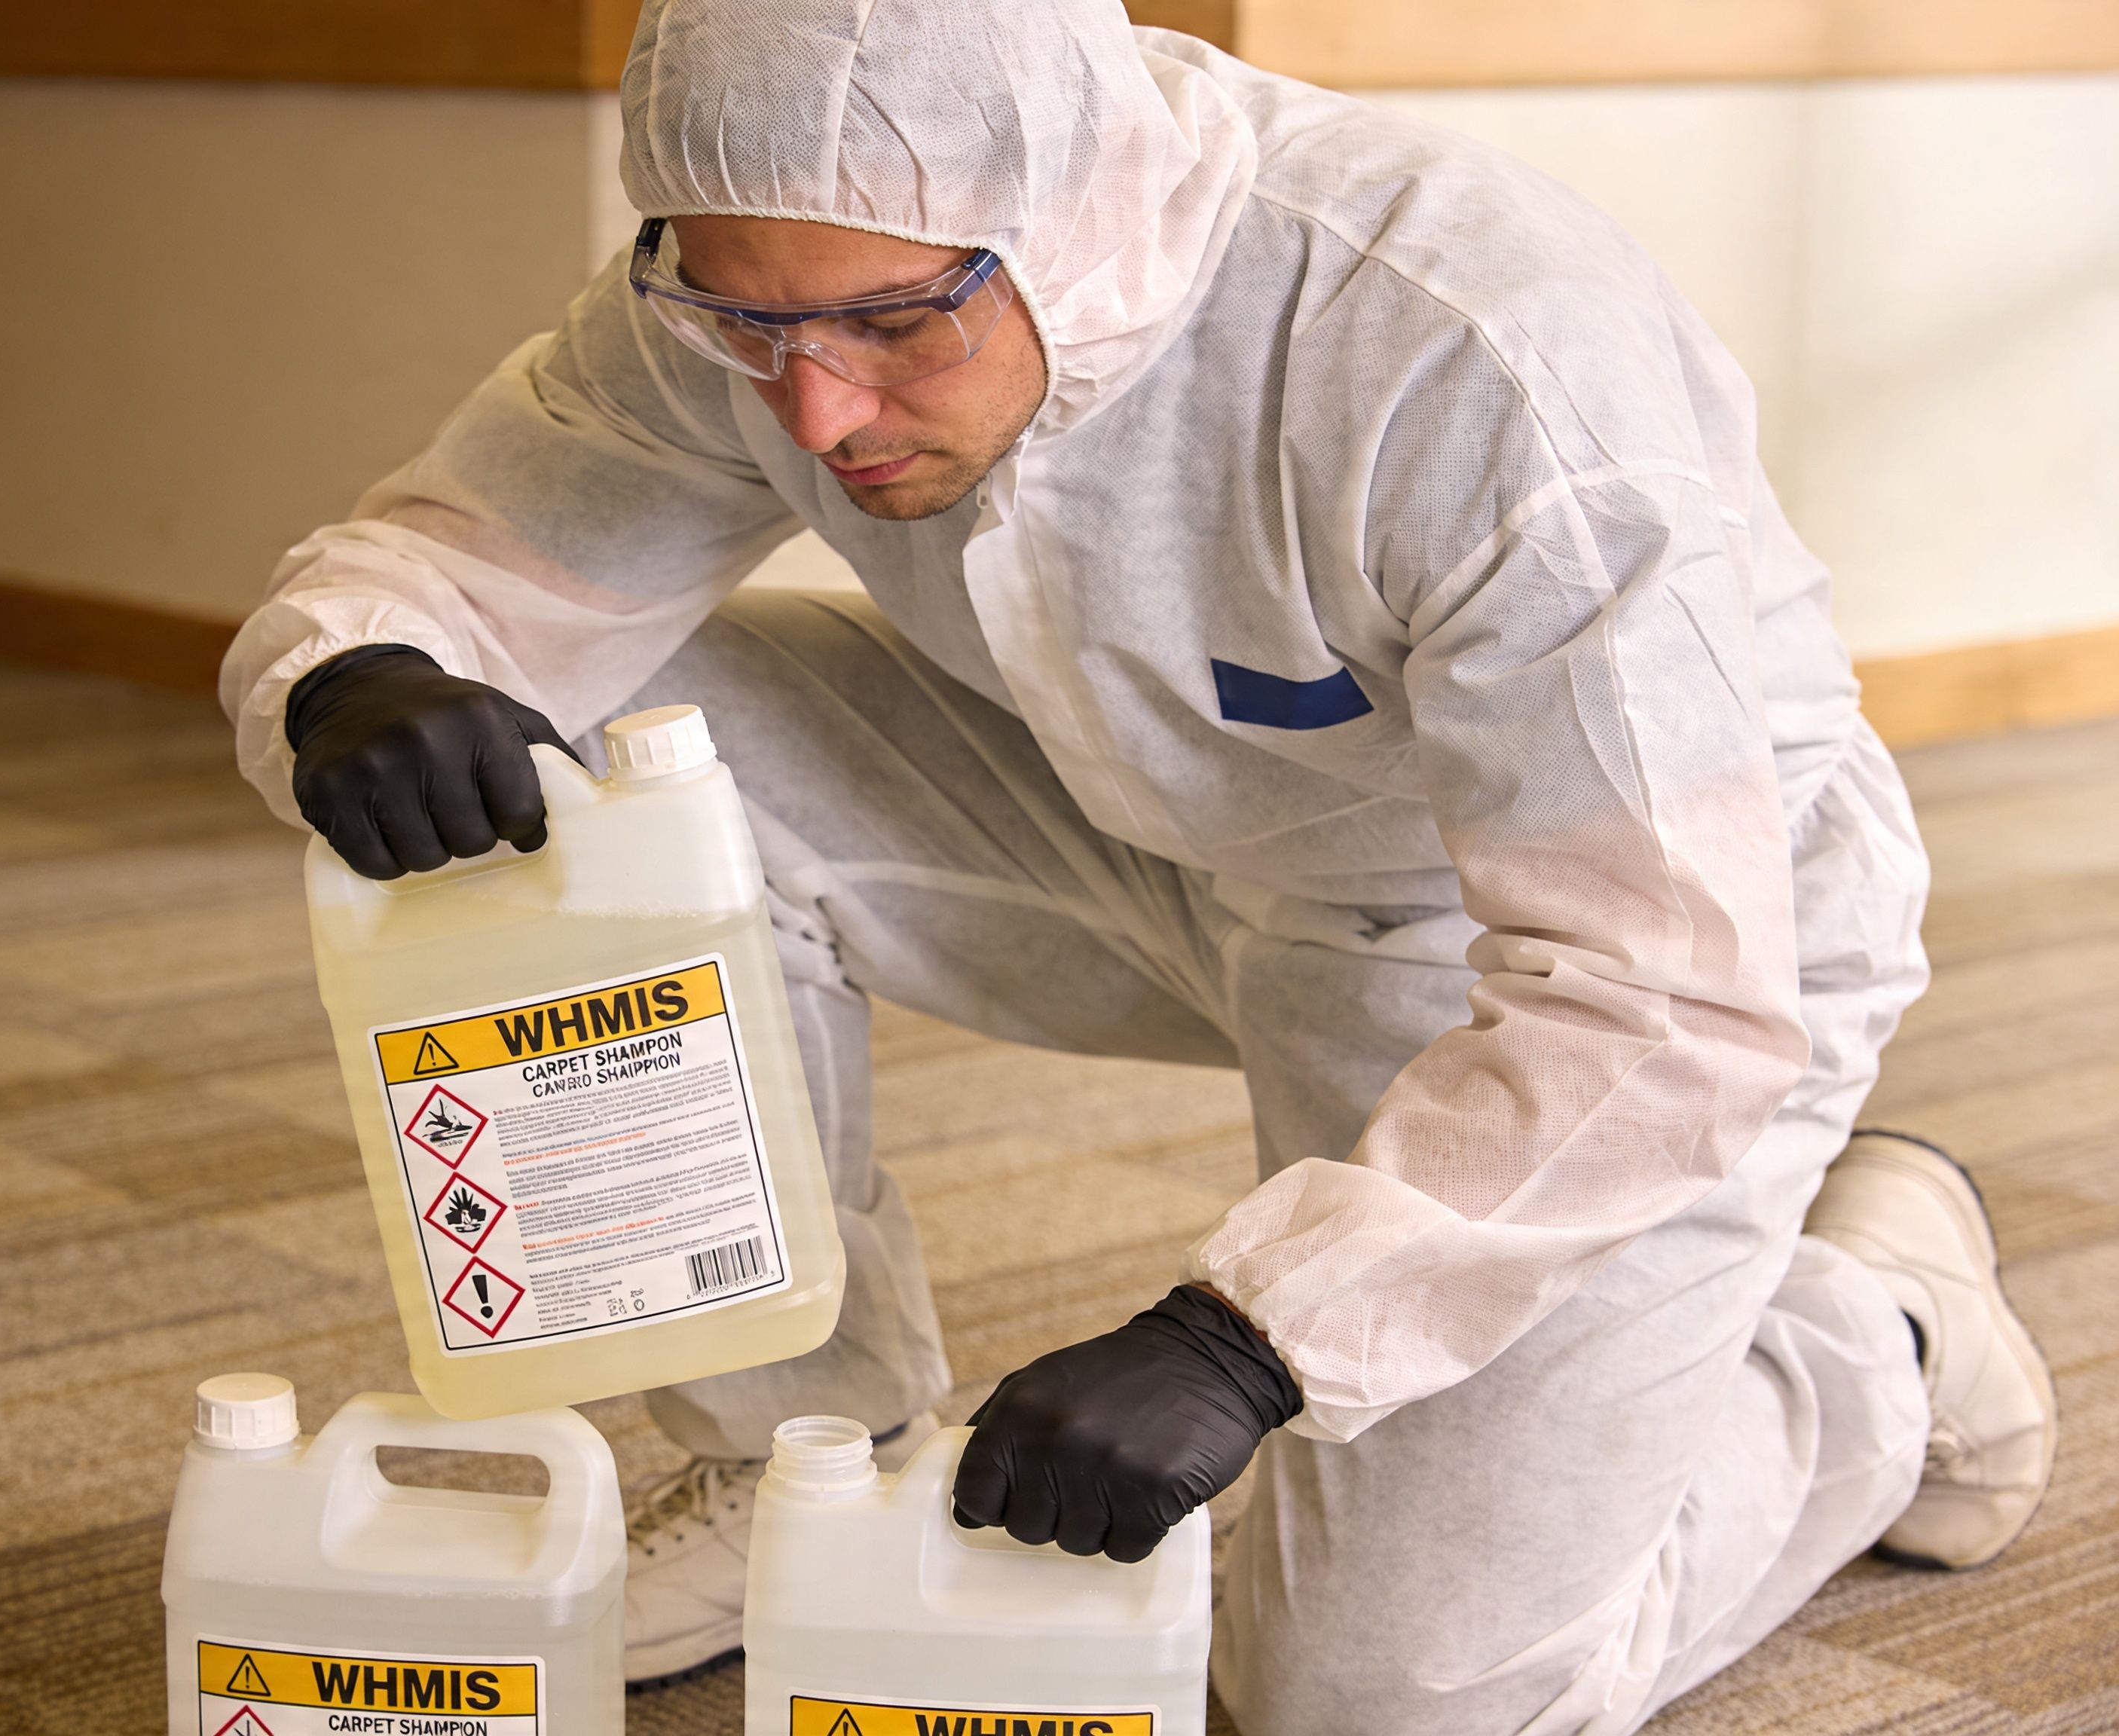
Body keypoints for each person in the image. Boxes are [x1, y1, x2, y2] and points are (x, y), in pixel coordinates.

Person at [219, 2, 2059, 1728]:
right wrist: (359, 672)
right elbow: (459, 564)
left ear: (1072, 220)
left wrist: (1248, 1339)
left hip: (1592, 966)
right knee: (579, 750)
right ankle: (793, 1458)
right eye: (744, 328)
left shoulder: (1463, 350)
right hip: (1174, 836)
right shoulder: (771, 291)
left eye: (892, 329)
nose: (815, 413)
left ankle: (1876, 1329)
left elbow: (1659, 989)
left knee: (1376, 1705)